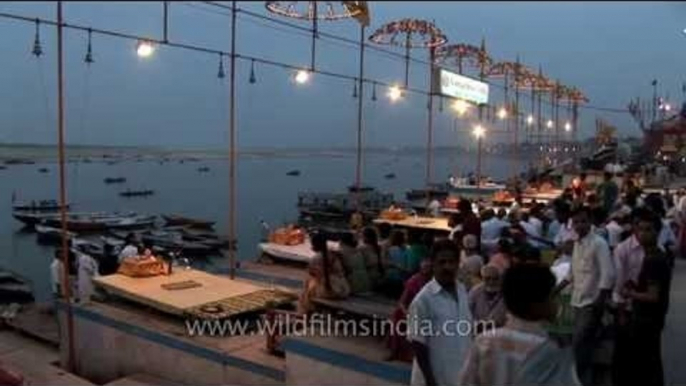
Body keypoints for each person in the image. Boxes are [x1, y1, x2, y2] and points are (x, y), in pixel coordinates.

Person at [459, 264, 579, 386]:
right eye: (551, 297)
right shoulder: (550, 351)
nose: (555, 304)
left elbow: (466, 382)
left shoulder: (485, 341)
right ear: (538, 304)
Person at [556, 206, 615, 386]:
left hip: (591, 303)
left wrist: (600, 300)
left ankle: (578, 379)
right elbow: (571, 275)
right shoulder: (576, 244)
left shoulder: (599, 243)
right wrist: (553, 292)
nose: (580, 225)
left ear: (590, 222)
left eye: (583, 221)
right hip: (577, 301)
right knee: (583, 346)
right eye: (576, 222)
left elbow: (608, 274)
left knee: (578, 344)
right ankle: (582, 379)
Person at [616, 210, 672, 386]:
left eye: (648, 229)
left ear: (657, 231)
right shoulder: (654, 255)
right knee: (647, 361)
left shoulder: (654, 259)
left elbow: (652, 296)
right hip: (647, 317)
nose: (642, 234)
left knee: (647, 362)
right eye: (639, 229)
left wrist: (629, 294)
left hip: (647, 318)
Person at [408, 239, 472, 386]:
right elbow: (418, 344)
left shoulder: (462, 290)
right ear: (433, 264)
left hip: (459, 374)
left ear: (457, 264)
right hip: (435, 377)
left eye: (451, 262)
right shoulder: (423, 300)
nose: (447, 267)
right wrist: (430, 381)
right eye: (442, 262)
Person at [387, 257, 432, 362]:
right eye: (425, 268)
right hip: (409, 310)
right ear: (420, 269)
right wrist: (407, 313)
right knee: (399, 319)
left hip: (426, 311)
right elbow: (402, 303)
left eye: (429, 268)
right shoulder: (414, 280)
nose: (427, 270)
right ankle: (394, 352)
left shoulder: (434, 282)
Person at [297, 232, 350, 314]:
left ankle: (304, 313)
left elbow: (313, 276)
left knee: (305, 291)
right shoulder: (334, 255)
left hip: (328, 291)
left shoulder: (316, 259)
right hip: (342, 289)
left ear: (314, 245)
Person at [468, 264, 507, 334]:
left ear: (500, 278)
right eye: (487, 278)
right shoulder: (475, 292)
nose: (491, 282)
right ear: (482, 278)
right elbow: (467, 313)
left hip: (500, 333)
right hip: (478, 333)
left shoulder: (507, 294)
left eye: (495, 278)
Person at [384, 230, 411, 298]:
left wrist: (395, 265)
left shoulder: (391, 249)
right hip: (402, 279)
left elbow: (386, 264)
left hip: (393, 279)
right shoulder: (409, 249)